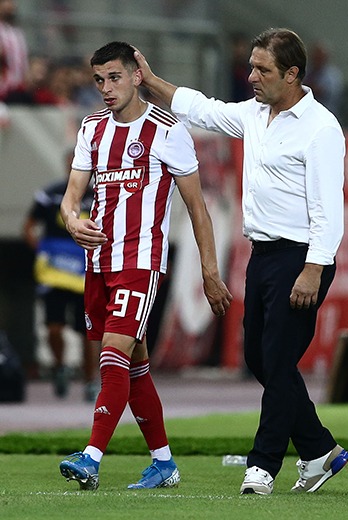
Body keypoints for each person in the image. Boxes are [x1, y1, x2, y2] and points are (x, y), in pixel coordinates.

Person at [135, 27, 348, 495]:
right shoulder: (255, 114)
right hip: (263, 255)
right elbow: (203, 109)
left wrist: (314, 268)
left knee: (278, 359)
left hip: (300, 257)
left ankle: (263, 466)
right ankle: (318, 449)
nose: (251, 76)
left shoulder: (320, 128)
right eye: (251, 66)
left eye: (262, 69)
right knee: (259, 358)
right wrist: (150, 81)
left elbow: (328, 210)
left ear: (292, 74)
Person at [58, 41, 232, 491]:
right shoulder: (92, 128)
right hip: (99, 261)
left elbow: (197, 208)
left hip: (140, 262)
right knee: (134, 366)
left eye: (115, 77)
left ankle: (91, 457)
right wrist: (72, 221)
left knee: (112, 353)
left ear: (137, 76)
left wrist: (210, 272)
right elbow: (71, 196)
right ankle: (164, 463)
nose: (106, 88)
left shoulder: (168, 130)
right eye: (99, 80)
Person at [23, 152, 99, 402]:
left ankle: (90, 380)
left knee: (87, 331)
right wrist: (43, 252)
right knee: (53, 328)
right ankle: (60, 367)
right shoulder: (51, 194)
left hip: (84, 275)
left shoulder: (100, 195)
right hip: (55, 274)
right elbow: (28, 227)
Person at [303, 40, 343, 118]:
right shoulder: (306, 71)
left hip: (325, 115)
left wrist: (305, 88)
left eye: (319, 57)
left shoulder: (332, 75)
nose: (316, 60)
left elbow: (323, 92)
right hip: (306, 115)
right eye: (315, 57)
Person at [0, 0, 29, 101]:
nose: (11, 6)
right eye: (7, 2)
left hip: (18, 85)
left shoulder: (17, 33)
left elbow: (23, 61)